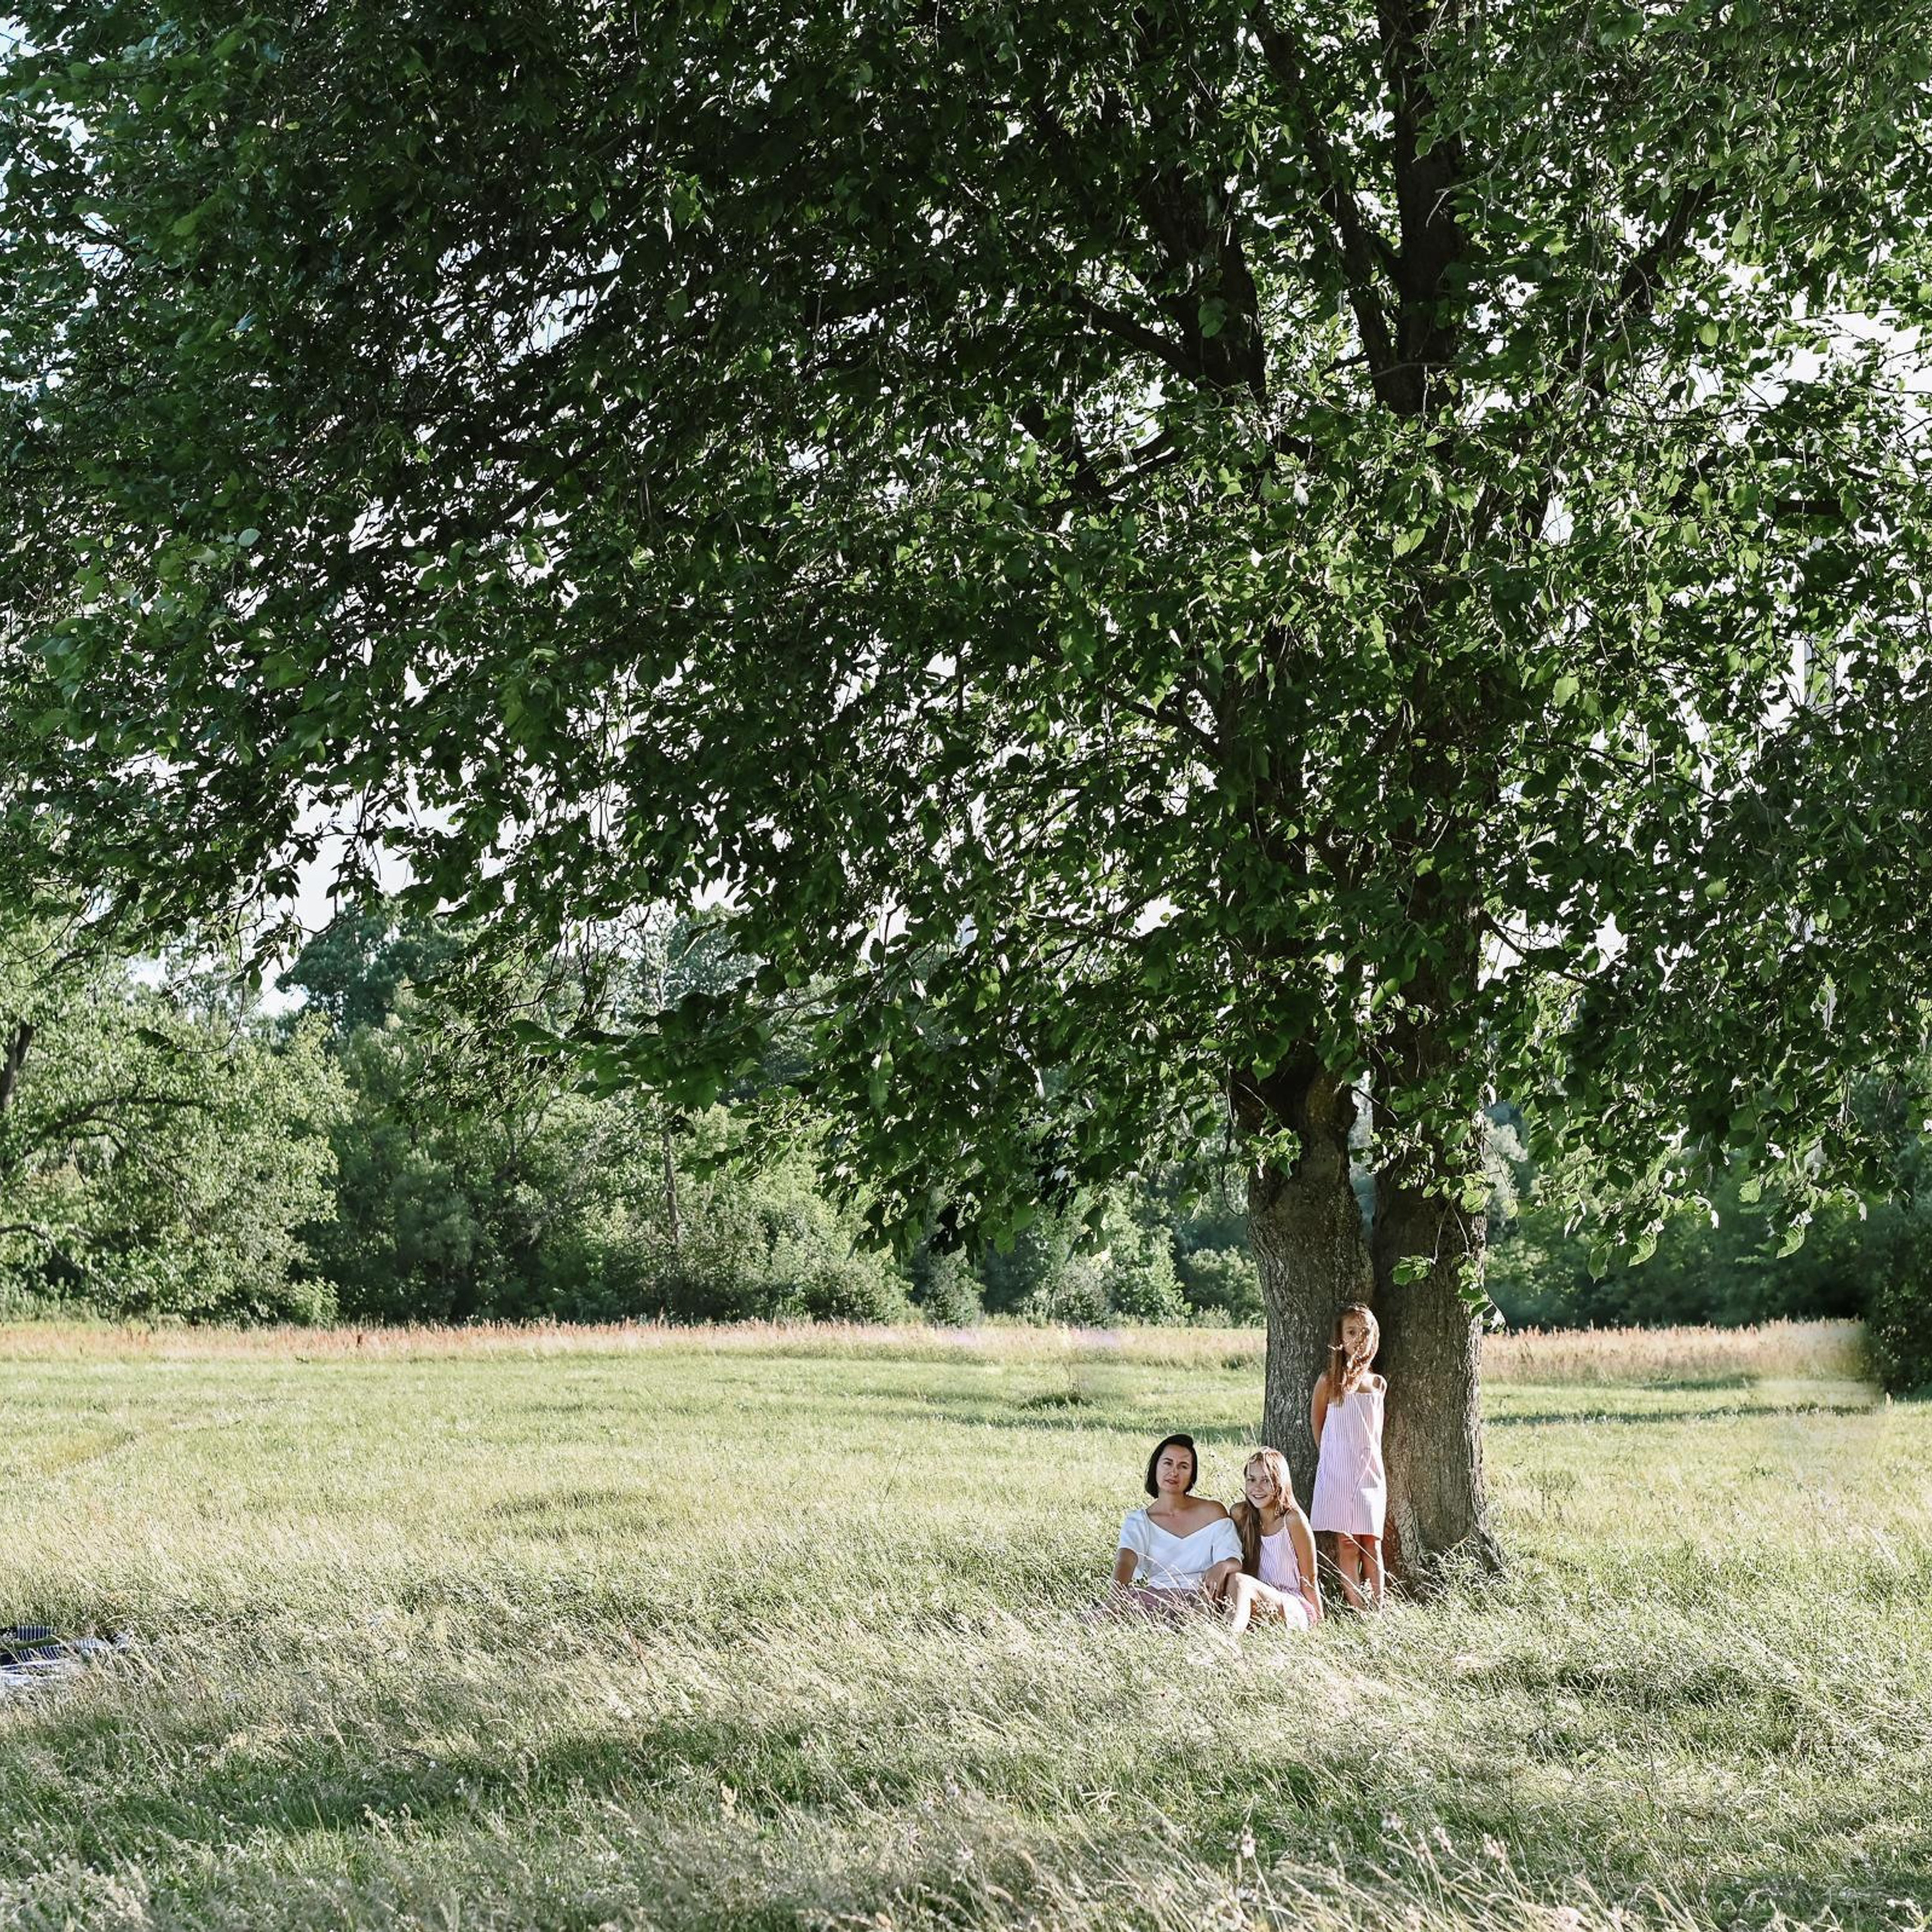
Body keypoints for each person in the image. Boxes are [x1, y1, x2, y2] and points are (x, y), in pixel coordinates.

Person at [1106, 1432, 1241, 1617]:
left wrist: (1223, 1566)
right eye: (1168, 1463)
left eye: (1183, 1466)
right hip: (1157, 1598)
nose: (1174, 1472)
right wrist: (1114, 1600)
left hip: (1205, 1596)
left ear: (1192, 1475)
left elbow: (1233, 1559)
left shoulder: (1213, 1512)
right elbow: (1125, 1561)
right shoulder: (1138, 1521)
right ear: (1155, 1468)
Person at [1310, 1302, 1387, 1611]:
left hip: (1369, 1473)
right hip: (1338, 1472)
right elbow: (1318, 1426)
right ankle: (1357, 1606)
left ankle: (1379, 1608)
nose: (1359, 1338)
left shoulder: (1377, 1384)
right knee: (1347, 1543)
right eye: (1352, 1332)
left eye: (1365, 1332)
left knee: (1372, 1542)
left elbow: (1375, 1434)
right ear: (1340, 1338)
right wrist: (1332, 1461)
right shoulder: (1328, 1382)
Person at [1225, 1447, 1321, 1635]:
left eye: (1266, 1480)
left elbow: (1309, 1578)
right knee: (1234, 1581)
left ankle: (1230, 1639)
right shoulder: (1240, 1515)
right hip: (1257, 1600)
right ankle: (1231, 1630)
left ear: (1279, 1483)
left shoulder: (1292, 1520)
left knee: (1242, 1582)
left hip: (1294, 1605)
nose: (1257, 1488)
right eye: (1251, 1480)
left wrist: (1319, 1624)